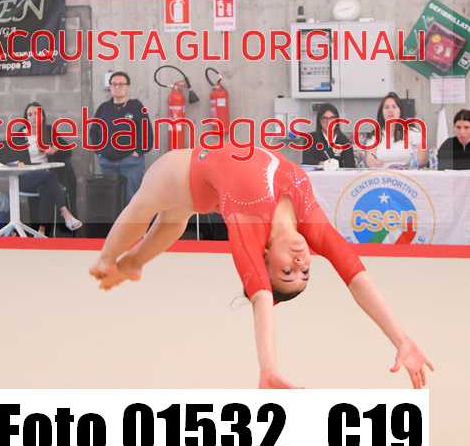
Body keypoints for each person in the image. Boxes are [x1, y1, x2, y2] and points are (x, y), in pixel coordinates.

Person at [89, 142, 433, 390]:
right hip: (199, 183)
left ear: (264, 256)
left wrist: (268, 369)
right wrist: (401, 339)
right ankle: (132, 262)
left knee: (147, 209)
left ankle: (110, 259)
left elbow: (262, 297)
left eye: (287, 272)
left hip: (177, 174)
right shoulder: (310, 224)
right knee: (173, 218)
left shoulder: (249, 225)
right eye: (305, 272)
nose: (300, 262)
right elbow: (356, 275)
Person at [17, 102, 82, 235]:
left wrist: (54, 150)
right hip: (26, 177)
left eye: (36, 114)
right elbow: (10, 157)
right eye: (30, 114)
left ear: (42, 117)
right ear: (26, 117)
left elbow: (68, 151)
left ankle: (41, 231)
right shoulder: (20, 134)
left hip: (45, 178)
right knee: (50, 176)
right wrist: (18, 162)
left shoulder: (48, 131)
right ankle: (65, 213)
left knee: (46, 188)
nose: (33, 117)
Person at [91, 71, 153, 206]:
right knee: (111, 201)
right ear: (110, 87)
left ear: (127, 87)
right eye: (114, 84)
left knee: (132, 200)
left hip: (131, 162)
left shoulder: (136, 106)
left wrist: (138, 152)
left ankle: (133, 222)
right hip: (107, 163)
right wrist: (99, 151)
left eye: (121, 84)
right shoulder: (103, 108)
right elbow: (93, 131)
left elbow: (146, 132)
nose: (117, 87)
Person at [364, 92, 427, 169]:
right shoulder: (374, 135)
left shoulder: (413, 132)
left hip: (408, 174)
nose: (390, 110)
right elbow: (369, 159)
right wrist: (373, 162)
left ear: (400, 111)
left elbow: (422, 160)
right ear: (381, 112)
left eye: (394, 107)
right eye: (386, 107)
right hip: (382, 174)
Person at [302, 103, 356, 168]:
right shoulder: (310, 139)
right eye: (324, 118)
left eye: (332, 118)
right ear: (319, 121)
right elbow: (306, 161)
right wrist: (322, 164)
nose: (328, 122)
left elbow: (351, 166)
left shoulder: (345, 141)